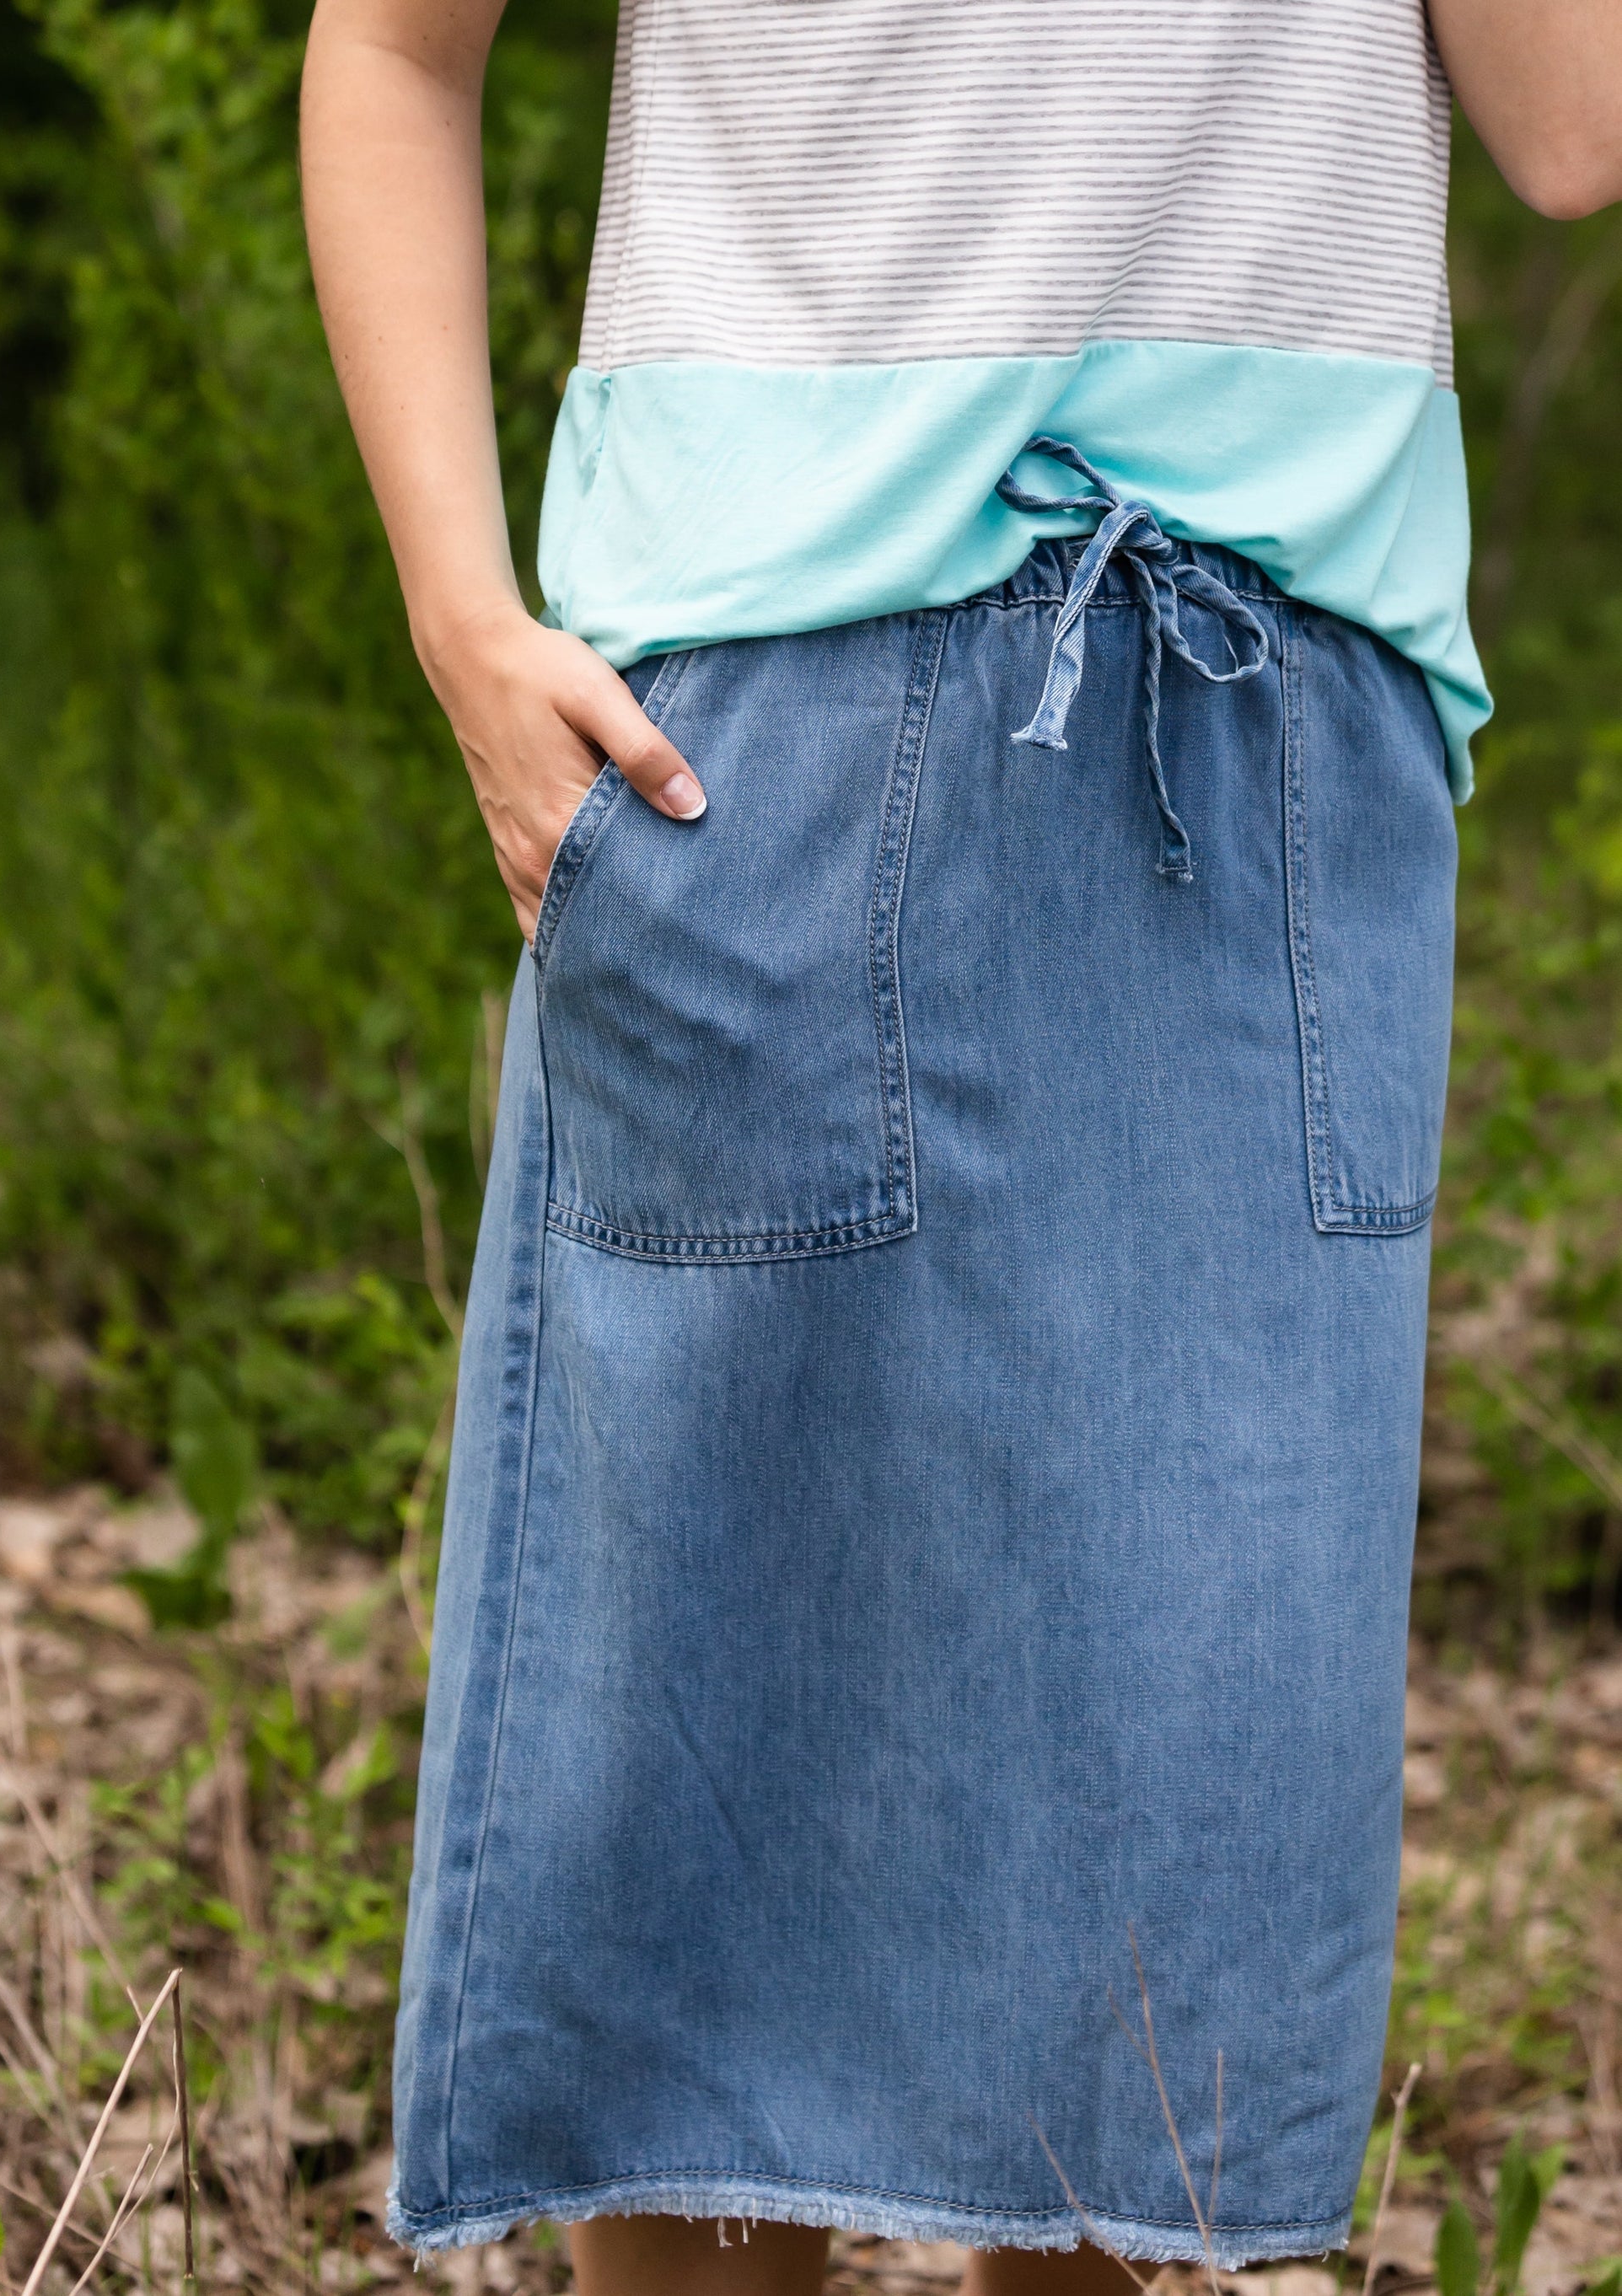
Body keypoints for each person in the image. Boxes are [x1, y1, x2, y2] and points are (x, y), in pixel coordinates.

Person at [298, 5, 1622, 2292]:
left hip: (1255, 725)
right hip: (759, 740)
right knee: (691, 1852)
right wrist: (459, 618)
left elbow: (1571, 127)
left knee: (1157, 1884)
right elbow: (394, 50)